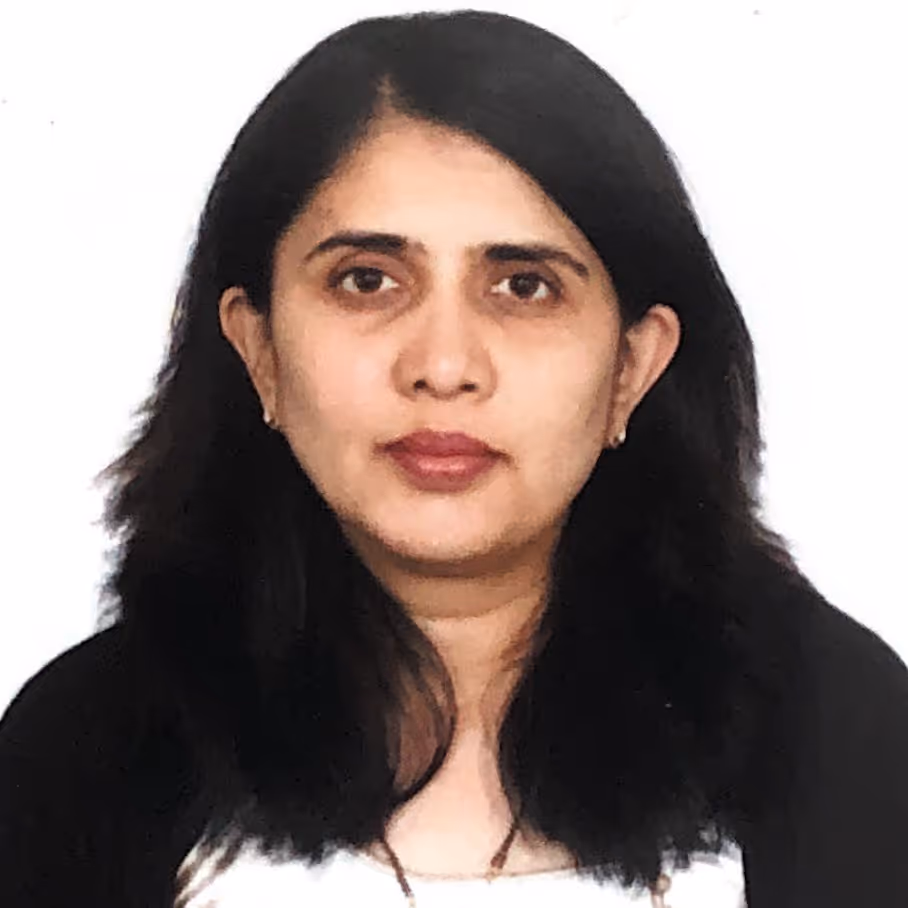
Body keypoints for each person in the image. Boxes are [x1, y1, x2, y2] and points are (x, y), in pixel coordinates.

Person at [1, 9, 906, 908]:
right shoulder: (81, 748)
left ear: (632, 367)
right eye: (367, 280)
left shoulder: (847, 733)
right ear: (259, 349)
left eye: (524, 287)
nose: (442, 366)